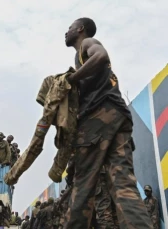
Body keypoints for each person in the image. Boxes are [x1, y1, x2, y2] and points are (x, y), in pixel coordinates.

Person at [63, 17, 152, 229]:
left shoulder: (87, 44)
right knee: (124, 185)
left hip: (98, 118)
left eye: (70, 28)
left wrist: (72, 80)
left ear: (80, 29)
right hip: (119, 116)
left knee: (83, 185)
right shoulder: (82, 56)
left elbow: (101, 56)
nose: (66, 32)